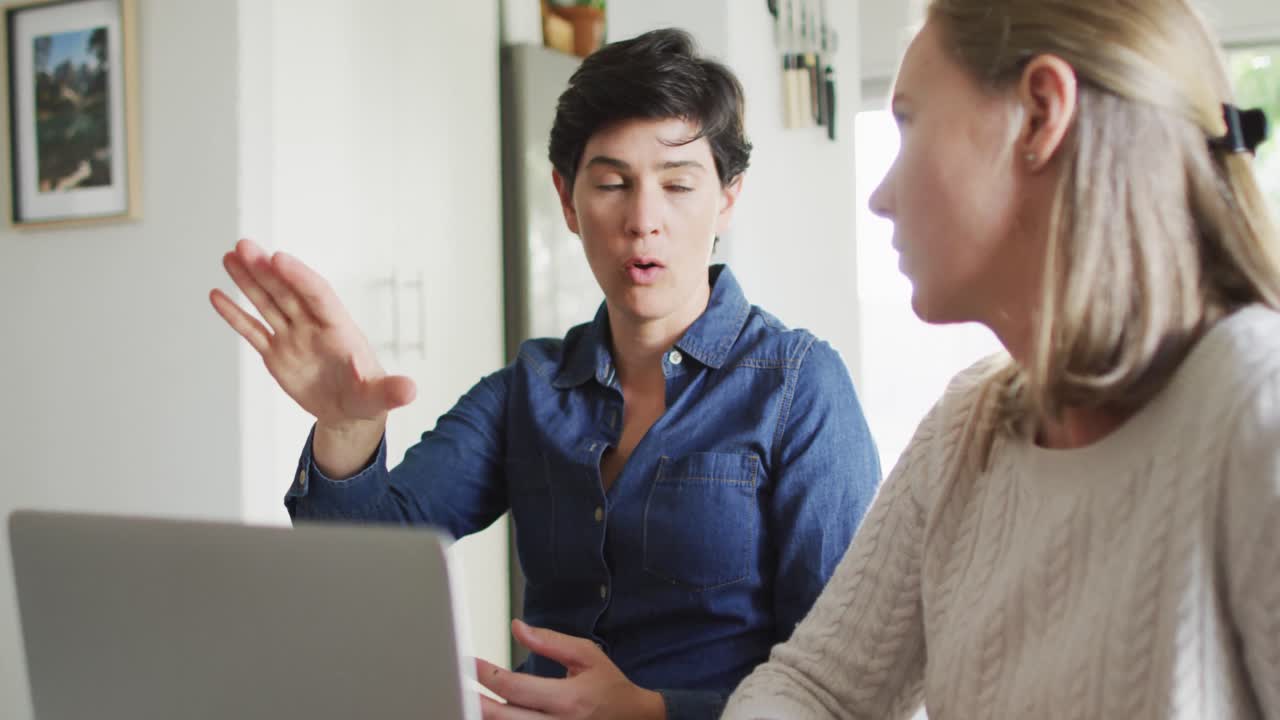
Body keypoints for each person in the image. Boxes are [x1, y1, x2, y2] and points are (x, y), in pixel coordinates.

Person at [209, 28, 881, 720]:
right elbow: (363, 573)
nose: (643, 220)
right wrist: (347, 428)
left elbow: (847, 687)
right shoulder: (528, 390)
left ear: (727, 198)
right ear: (566, 200)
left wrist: (652, 710)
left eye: (678, 184)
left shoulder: (800, 387)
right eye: (613, 183)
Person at [722, 1, 1280, 718]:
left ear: (1040, 114)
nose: (880, 196)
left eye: (909, 121)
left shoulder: (1254, 405)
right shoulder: (968, 426)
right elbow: (815, 688)